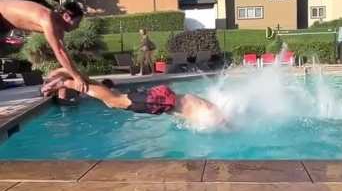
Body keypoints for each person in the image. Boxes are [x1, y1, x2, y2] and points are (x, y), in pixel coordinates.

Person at [43, 68, 228, 129]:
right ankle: (65, 83)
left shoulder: (209, 106)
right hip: (163, 100)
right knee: (114, 101)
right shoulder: (214, 117)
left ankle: (70, 77)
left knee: (113, 98)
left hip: (165, 97)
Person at [0, 0, 88, 92]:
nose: (77, 26)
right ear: (66, 16)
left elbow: (61, 55)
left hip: (4, 25)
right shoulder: (47, 19)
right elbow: (60, 52)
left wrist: (56, 81)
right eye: (77, 22)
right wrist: (77, 77)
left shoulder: (58, 28)